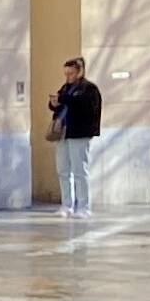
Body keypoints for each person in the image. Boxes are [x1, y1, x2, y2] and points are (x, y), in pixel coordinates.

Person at [50, 56, 104, 218]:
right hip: (64, 132)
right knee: (63, 170)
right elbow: (61, 104)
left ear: (80, 72)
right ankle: (67, 205)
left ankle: (84, 206)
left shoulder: (89, 89)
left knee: (80, 171)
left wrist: (64, 99)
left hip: (79, 133)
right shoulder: (66, 88)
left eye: (71, 73)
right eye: (66, 74)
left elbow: (82, 105)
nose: (68, 77)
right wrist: (54, 103)